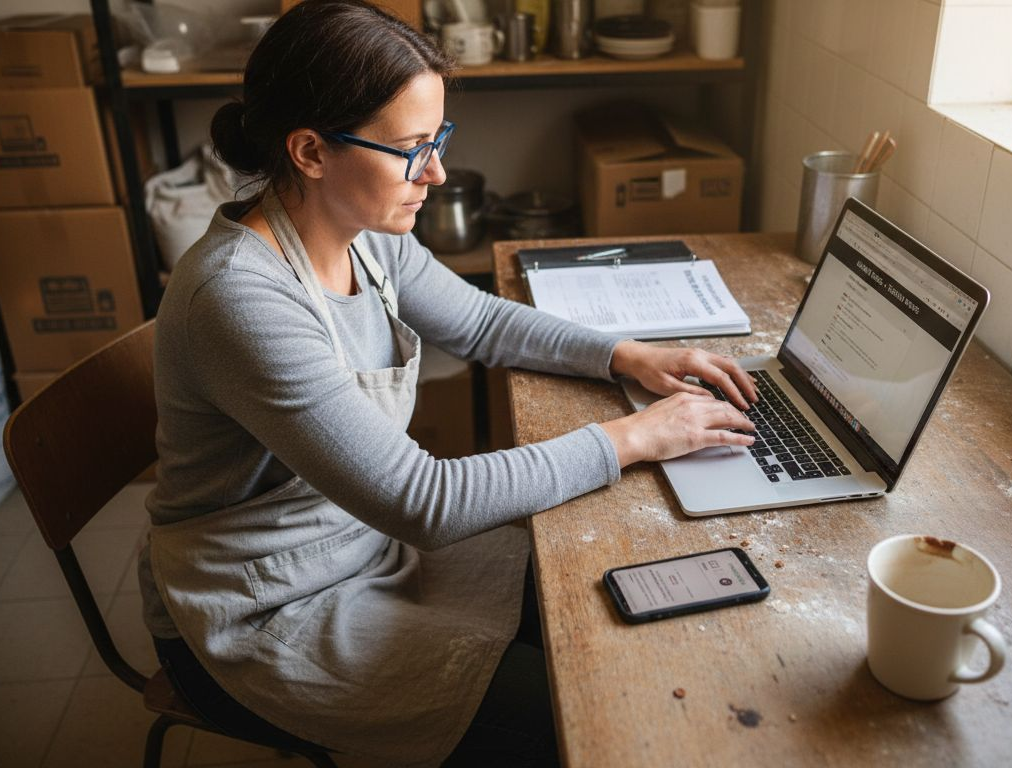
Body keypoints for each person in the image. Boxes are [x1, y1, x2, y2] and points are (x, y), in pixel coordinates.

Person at [137, 2, 758, 766]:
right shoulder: (240, 298)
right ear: (310, 151)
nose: (434, 171)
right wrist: (632, 437)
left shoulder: (361, 233)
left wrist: (624, 355)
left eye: (439, 141)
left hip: (362, 545)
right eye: (410, 148)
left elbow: (483, 324)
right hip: (262, 607)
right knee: (583, 720)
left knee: (599, 600)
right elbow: (423, 502)